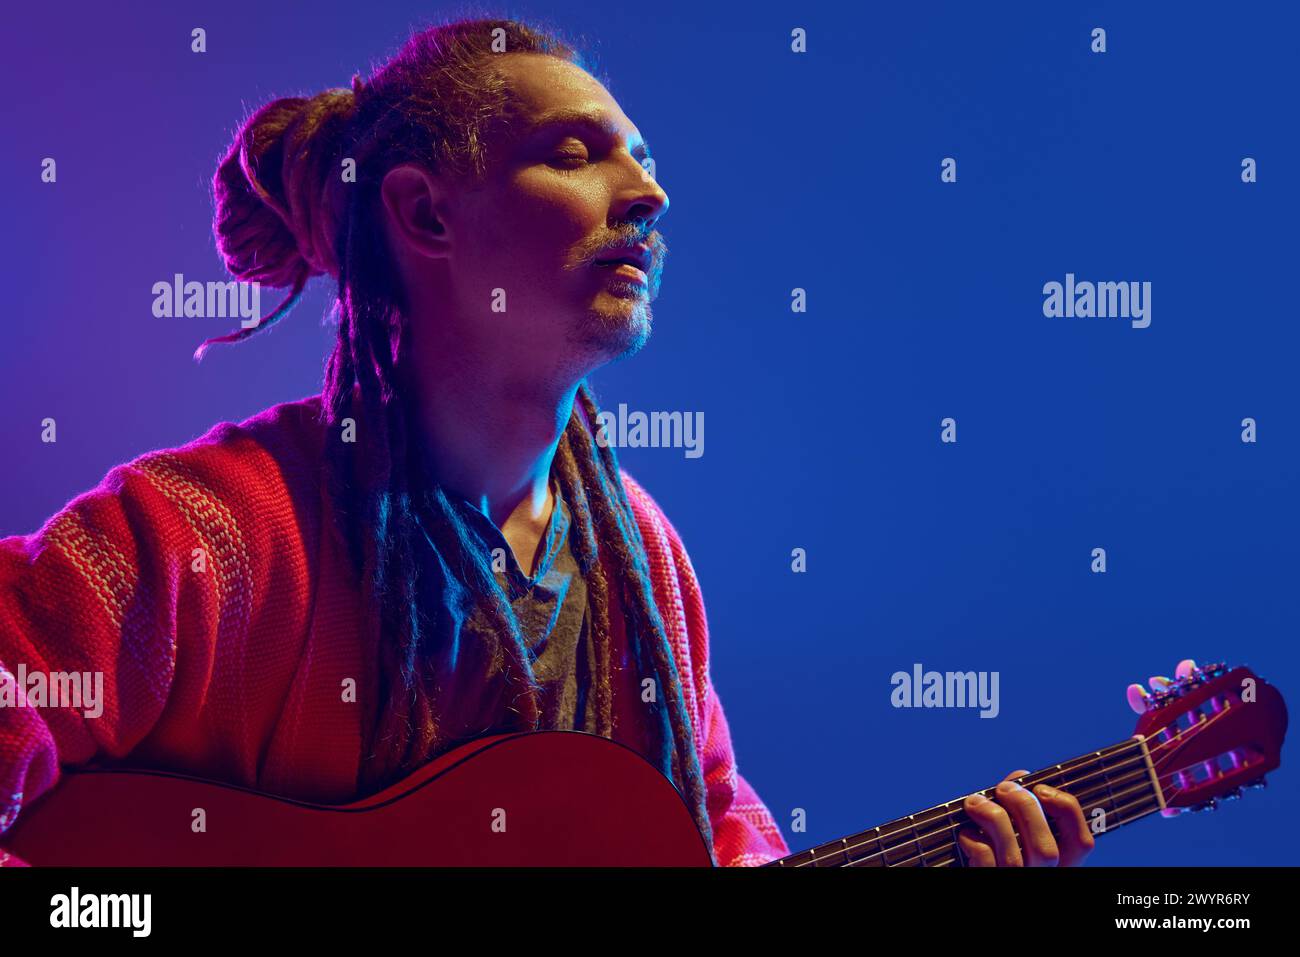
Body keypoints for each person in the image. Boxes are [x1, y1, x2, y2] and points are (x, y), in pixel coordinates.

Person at [0, 16, 1099, 867]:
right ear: (423, 215)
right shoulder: (207, 538)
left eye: (643, 160)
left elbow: (718, 834)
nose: (649, 193)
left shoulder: (646, 570)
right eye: (577, 154)